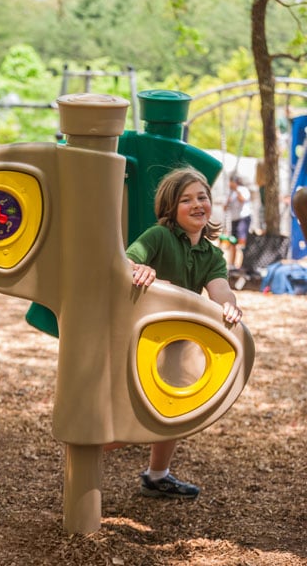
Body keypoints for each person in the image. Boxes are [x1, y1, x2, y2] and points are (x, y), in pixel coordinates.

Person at [125, 165, 243, 500]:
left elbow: (221, 290)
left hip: (177, 342)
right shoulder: (158, 237)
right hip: (143, 339)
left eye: (202, 197)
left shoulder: (211, 254)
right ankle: (85, 449)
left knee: (173, 407)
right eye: (186, 199)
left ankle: (156, 475)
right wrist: (141, 268)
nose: (197, 204)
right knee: (131, 413)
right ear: (170, 208)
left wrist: (229, 306)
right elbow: (124, 263)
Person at [224, 174, 252, 268]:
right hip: (234, 219)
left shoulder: (243, 190)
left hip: (243, 218)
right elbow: (225, 207)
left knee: (242, 240)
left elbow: (242, 200)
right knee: (233, 241)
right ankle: (232, 263)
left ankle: (242, 263)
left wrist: (236, 190)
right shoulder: (231, 192)